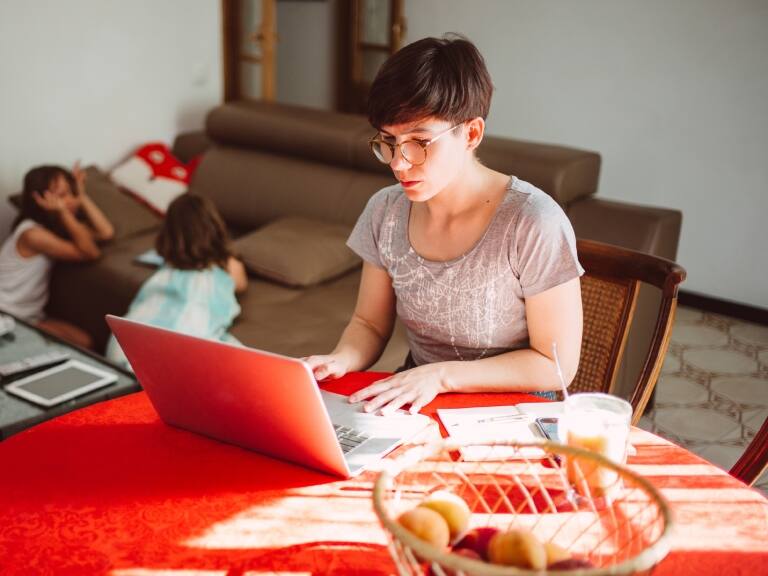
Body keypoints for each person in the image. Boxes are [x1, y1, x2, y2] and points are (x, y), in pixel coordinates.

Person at [304, 35, 584, 415]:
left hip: (515, 411)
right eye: (389, 141)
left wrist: (441, 376)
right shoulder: (385, 211)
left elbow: (556, 366)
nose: (398, 163)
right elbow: (368, 323)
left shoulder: (532, 222)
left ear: (471, 133)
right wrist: (341, 359)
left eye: (419, 141)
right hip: (419, 398)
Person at [106, 193, 247, 369]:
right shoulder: (227, 265)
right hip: (179, 346)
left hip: (123, 346)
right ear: (214, 226)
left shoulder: (169, 261)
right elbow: (241, 285)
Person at [0, 163, 115, 348]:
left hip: (30, 316)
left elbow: (105, 232)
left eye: (71, 193)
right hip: (7, 313)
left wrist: (82, 196)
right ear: (39, 199)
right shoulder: (32, 234)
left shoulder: (57, 227)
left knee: (85, 342)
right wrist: (63, 211)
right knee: (79, 343)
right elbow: (91, 253)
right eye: (61, 195)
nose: (69, 200)